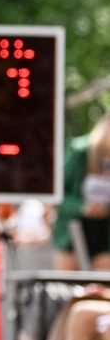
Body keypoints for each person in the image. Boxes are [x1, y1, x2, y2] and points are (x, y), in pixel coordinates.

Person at [50, 111, 110, 272]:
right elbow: (57, 195)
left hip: (103, 234)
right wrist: (82, 207)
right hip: (73, 230)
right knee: (69, 287)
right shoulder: (80, 151)